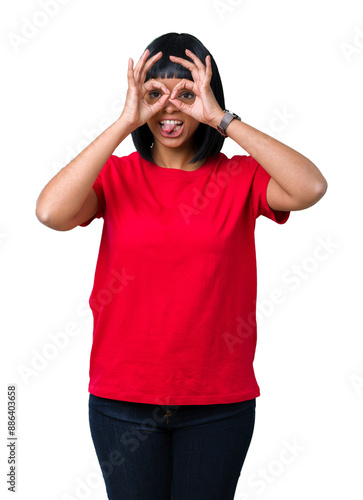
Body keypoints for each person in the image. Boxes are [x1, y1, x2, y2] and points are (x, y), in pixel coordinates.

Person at [35, 32, 327, 500]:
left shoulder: (239, 177)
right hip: (122, 400)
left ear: (207, 96)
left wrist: (221, 119)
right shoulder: (115, 175)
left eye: (186, 94)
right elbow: (50, 212)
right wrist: (123, 121)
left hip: (217, 402)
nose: (169, 109)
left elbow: (310, 187)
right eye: (155, 95)